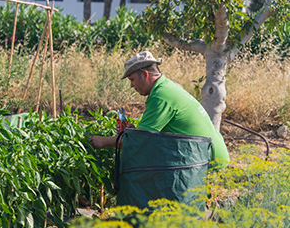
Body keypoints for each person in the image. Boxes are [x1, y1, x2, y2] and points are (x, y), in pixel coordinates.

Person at [89, 51, 230, 169]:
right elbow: (148, 135)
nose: (131, 85)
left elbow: (140, 141)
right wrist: (134, 132)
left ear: (145, 74)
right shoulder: (166, 87)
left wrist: (103, 141)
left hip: (209, 162)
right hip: (207, 155)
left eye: (132, 79)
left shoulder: (162, 95)